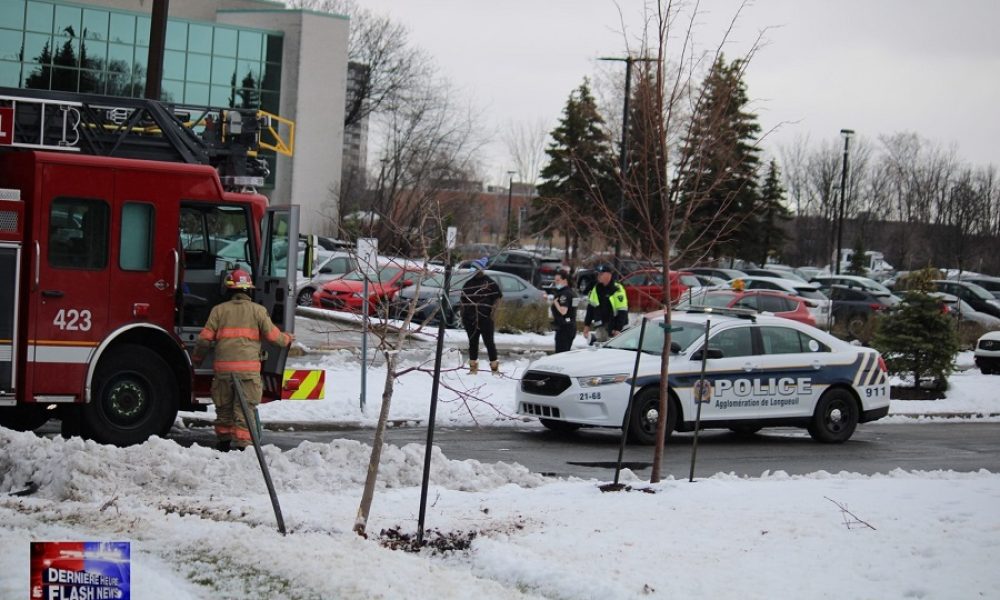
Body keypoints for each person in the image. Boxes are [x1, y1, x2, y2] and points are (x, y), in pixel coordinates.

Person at [193, 268, 294, 451]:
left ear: (229, 290)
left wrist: (197, 360)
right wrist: (287, 338)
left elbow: (204, 339)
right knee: (244, 411)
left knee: (223, 409)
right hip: (247, 373)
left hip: (223, 372)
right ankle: (243, 448)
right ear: (249, 290)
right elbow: (274, 338)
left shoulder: (218, 311)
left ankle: (222, 444)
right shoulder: (258, 311)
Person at [460, 257, 503, 374]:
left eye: (475, 268)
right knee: (472, 343)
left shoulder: (490, 283)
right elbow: (463, 301)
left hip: (485, 319)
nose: (473, 270)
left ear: (480, 269)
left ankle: (494, 368)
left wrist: (492, 314)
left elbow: (497, 298)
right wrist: (463, 316)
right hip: (470, 319)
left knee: (489, 343)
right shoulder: (468, 283)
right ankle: (473, 368)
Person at [582, 264, 628, 344]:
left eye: (601, 274)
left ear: (609, 274)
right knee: (600, 350)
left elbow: (622, 310)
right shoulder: (596, 289)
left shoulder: (617, 289)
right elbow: (590, 308)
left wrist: (618, 329)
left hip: (615, 327)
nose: (599, 276)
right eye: (598, 274)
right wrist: (587, 325)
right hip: (601, 327)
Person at [550, 269, 577, 353]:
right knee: (565, 352)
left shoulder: (564, 294)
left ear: (565, 280)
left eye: (558, 280)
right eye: (555, 280)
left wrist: (555, 303)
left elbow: (563, 311)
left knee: (561, 354)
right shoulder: (572, 293)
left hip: (564, 329)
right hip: (570, 326)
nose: (556, 282)